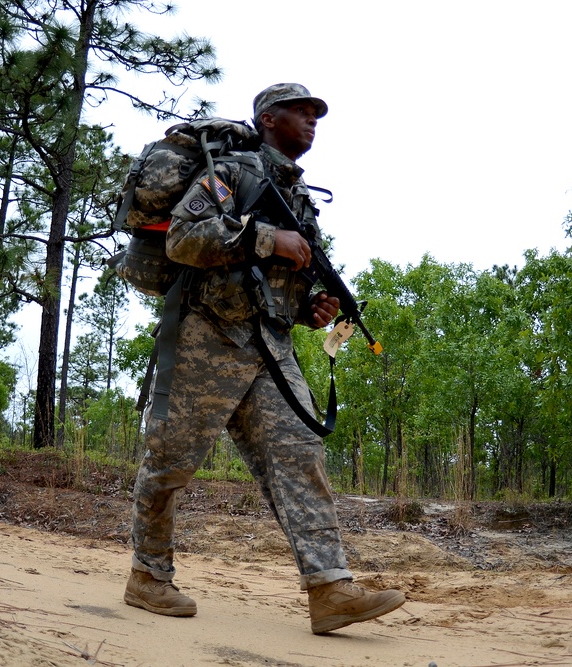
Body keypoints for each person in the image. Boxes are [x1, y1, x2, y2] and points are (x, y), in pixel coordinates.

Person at [123, 83, 406, 634]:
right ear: (269, 119)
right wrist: (267, 240)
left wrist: (309, 309)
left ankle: (330, 588)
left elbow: (280, 286)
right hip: (208, 335)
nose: (313, 121)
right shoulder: (232, 172)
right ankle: (147, 575)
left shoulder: (296, 196)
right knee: (172, 461)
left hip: (268, 348)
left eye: (316, 114)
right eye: (301, 112)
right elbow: (184, 238)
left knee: (300, 454)